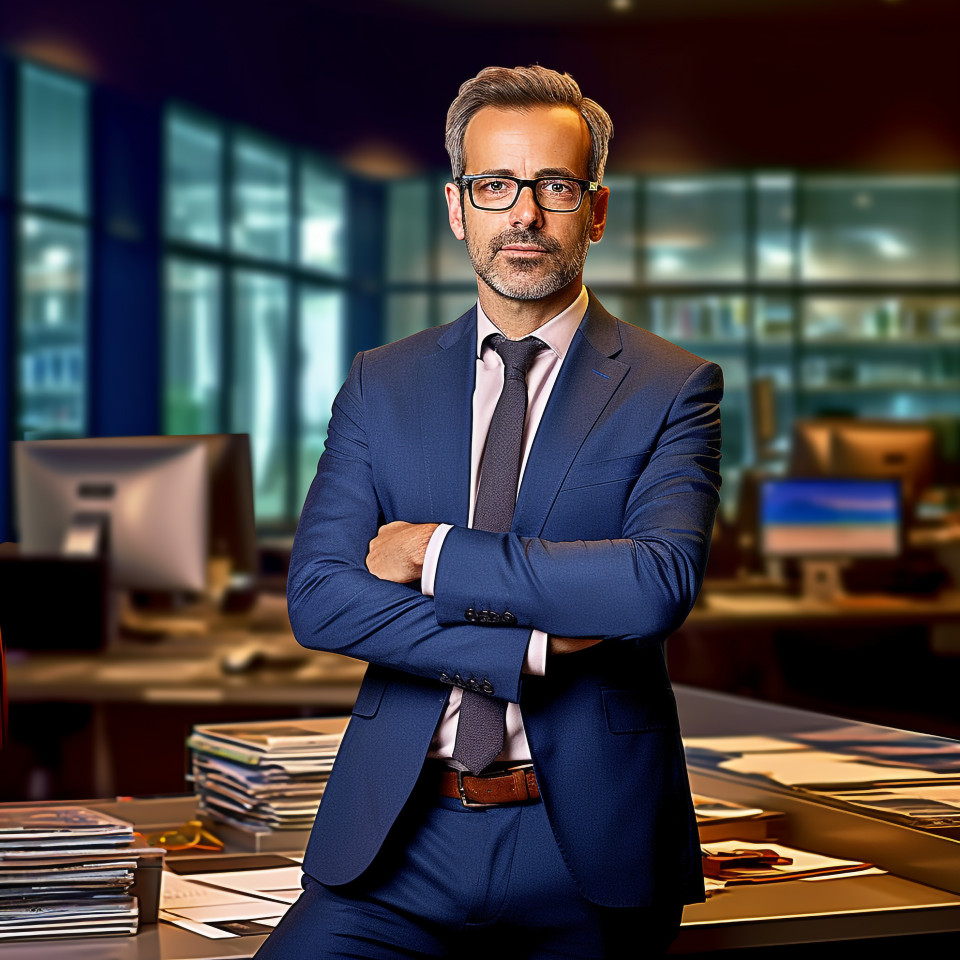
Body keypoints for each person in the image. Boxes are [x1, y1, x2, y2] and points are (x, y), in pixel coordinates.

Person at [257, 64, 723, 960]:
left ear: (595, 208)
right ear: (456, 206)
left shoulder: (671, 387)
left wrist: (432, 553)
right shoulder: (380, 383)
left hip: (586, 848)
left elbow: (653, 583)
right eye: (494, 185)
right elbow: (321, 596)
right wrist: (533, 648)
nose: (524, 214)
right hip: (396, 847)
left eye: (553, 185)